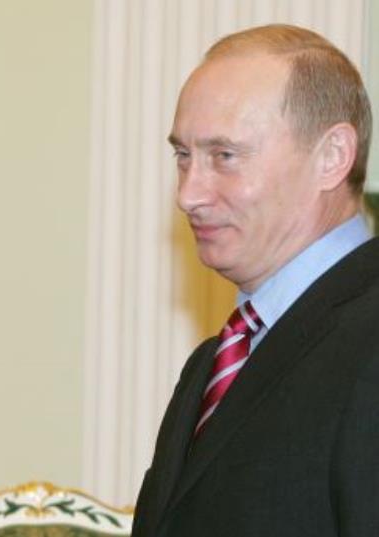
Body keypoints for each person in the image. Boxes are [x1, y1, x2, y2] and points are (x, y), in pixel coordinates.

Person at [132, 24, 377, 537]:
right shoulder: (214, 362)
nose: (189, 194)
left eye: (224, 156)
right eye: (184, 156)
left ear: (332, 156)